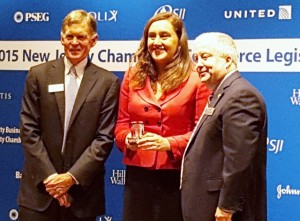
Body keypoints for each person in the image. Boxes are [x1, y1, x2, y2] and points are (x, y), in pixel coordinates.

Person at [17, 10, 120, 221]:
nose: (74, 42)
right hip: (39, 192)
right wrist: (53, 180)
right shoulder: (38, 74)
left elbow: (104, 139)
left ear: (93, 41)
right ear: (61, 38)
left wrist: (71, 179)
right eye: (69, 36)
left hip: (81, 197)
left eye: (81, 37)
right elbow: (29, 130)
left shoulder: (107, 82)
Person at [114, 12, 211, 221]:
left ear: (179, 41)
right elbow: (122, 124)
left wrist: (167, 143)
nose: (156, 42)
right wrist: (127, 139)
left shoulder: (197, 79)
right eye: (152, 36)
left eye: (164, 36)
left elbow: (203, 134)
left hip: (177, 175)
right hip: (138, 175)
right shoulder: (132, 74)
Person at [181, 32, 267, 221]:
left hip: (222, 211)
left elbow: (239, 159)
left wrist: (227, 206)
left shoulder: (240, 96)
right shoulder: (223, 94)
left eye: (205, 57)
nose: (199, 64)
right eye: (196, 58)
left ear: (228, 60)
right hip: (206, 205)